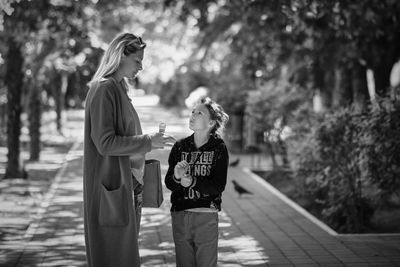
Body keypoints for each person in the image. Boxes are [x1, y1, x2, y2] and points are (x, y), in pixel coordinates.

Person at [83, 32, 175, 267]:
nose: (141, 67)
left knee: (124, 256)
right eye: (137, 61)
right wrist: (147, 141)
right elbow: (104, 143)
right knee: (115, 257)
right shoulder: (104, 89)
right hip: (112, 189)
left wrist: (149, 143)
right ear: (121, 56)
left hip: (127, 188)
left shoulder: (119, 89)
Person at [165, 97, 230, 267]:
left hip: (206, 215)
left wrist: (192, 182)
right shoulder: (179, 146)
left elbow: (218, 186)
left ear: (211, 123)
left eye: (199, 113)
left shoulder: (219, 148)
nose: (192, 115)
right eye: (192, 112)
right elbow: (169, 183)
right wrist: (177, 177)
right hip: (180, 214)